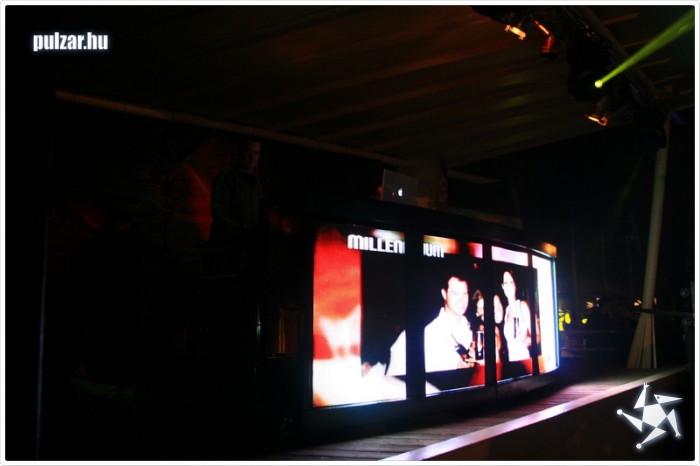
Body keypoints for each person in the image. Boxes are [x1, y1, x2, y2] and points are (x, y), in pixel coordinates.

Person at [386, 274, 475, 375]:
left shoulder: (475, 331)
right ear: (444, 294)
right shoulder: (420, 336)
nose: (461, 300)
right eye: (455, 293)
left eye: (464, 294)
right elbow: (394, 380)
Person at [208, 137, 266, 274]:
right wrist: (239, 227)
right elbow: (217, 209)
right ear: (240, 152)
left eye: (256, 153)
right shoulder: (227, 177)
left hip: (245, 245)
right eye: (248, 152)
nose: (252, 157)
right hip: (227, 245)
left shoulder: (256, 183)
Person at [496, 270, 532, 362]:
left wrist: (528, 340)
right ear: (502, 286)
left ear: (515, 285)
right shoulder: (506, 310)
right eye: (505, 283)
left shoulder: (522, 306)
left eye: (511, 282)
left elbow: (538, 335)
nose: (508, 286)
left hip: (524, 359)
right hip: (511, 361)